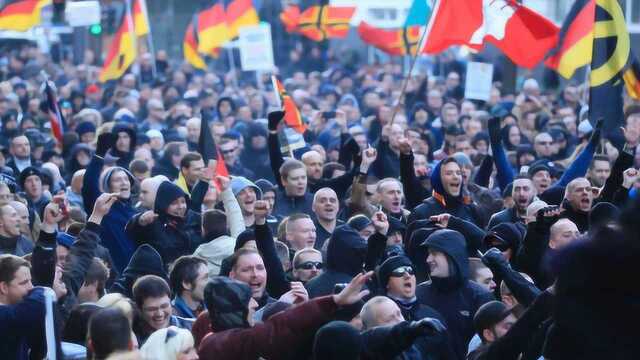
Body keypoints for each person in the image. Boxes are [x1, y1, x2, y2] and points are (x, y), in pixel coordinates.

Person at [197, 272, 372, 360]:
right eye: (246, 301)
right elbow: (280, 328)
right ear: (232, 310)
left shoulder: (219, 332)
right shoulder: (217, 343)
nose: (255, 304)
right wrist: (333, 301)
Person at [417, 229, 494, 360]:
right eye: (428, 254)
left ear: (452, 255)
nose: (428, 259)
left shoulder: (479, 296)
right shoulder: (419, 294)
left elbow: (490, 343)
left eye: (434, 253)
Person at [83, 133, 138, 272]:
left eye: (126, 179)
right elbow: (89, 185)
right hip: (113, 273)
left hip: (135, 272)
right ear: (108, 186)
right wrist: (99, 154)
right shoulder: (103, 208)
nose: (124, 182)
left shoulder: (136, 213)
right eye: (117, 180)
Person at [126, 181, 202, 266]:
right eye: (174, 203)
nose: (180, 206)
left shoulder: (194, 219)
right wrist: (140, 221)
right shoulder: (153, 222)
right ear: (164, 204)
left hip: (195, 270)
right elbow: (130, 230)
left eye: (183, 202)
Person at [132, 275, 194, 344]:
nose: (159, 314)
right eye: (152, 309)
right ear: (139, 309)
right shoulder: (133, 339)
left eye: (164, 306)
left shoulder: (193, 328)